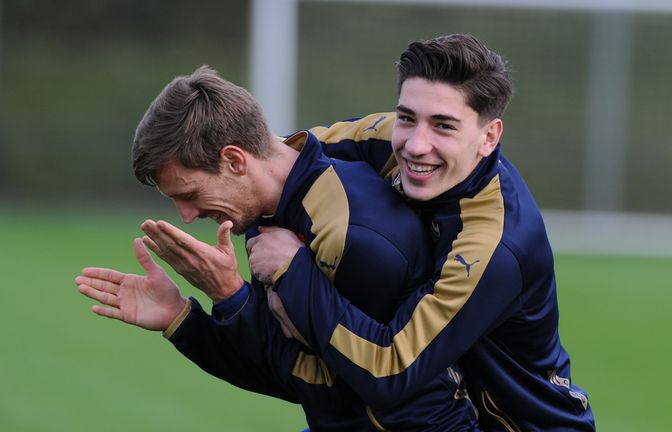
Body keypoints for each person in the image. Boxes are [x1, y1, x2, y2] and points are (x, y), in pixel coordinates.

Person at [75, 66, 480, 431]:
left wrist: (230, 294)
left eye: (190, 194)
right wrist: (181, 319)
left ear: (235, 161)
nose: (187, 215)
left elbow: (355, 384)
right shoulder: (266, 213)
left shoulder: (352, 233)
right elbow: (287, 363)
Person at [248, 34, 596, 431]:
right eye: (407, 118)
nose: (416, 145)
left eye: (443, 126)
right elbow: (274, 162)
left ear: (489, 137)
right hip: (428, 415)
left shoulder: (494, 244)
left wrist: (294, 272)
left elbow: (391, 370)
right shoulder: (387, 138)